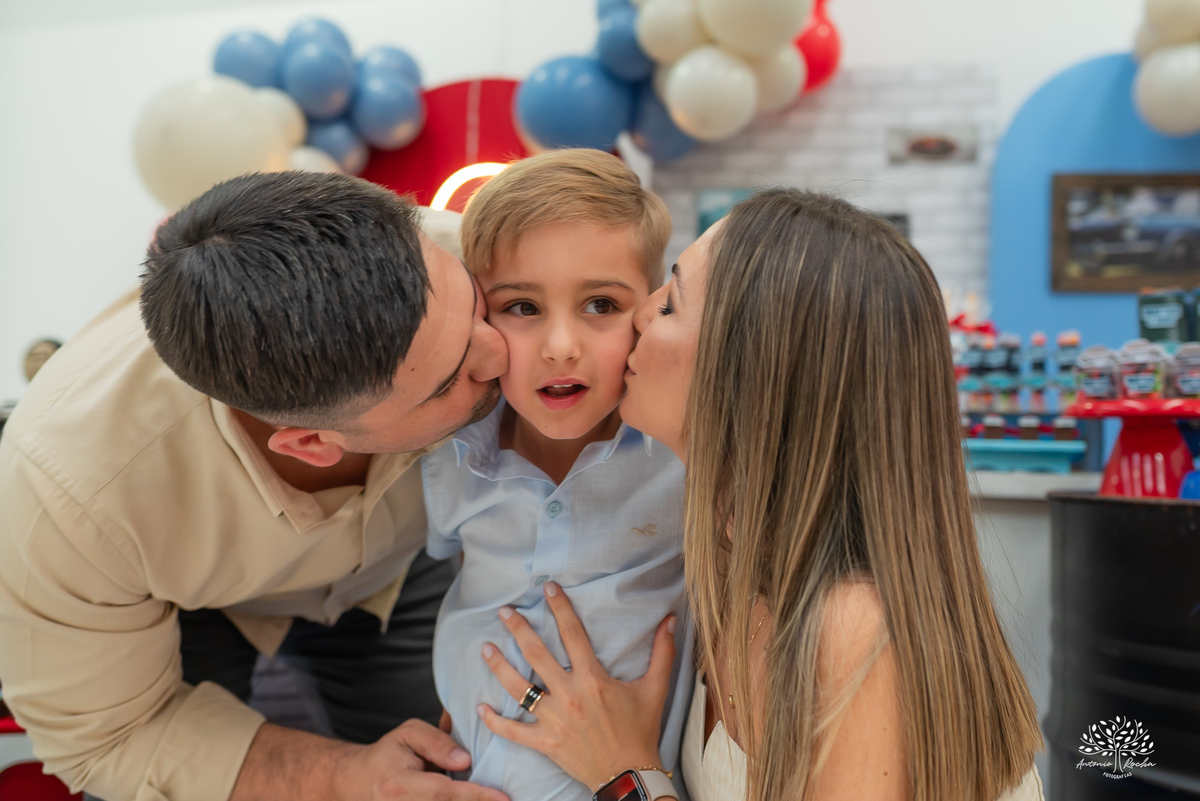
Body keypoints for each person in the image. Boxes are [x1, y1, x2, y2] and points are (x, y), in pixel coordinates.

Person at [474, 189, 1046, 801]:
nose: (641, 314)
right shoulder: (726, 561)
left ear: (749, 367)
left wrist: (625, 772)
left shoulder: (851, 626)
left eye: (671, 303)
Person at [0, 171, 509, 801]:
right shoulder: (70, 493)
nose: (503, 355)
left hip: (395, 571)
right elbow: (110, 737)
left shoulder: (477, 251)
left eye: (476, 308)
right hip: (178, 610)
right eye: (451, 379)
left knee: (460, 769)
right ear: (310, 444)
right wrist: (341, 776)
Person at [421, 149, 692, 800]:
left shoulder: (684, 459)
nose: (561, 346)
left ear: (650, 310)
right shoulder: (444, 455)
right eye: (522, 307)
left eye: (600, 303)